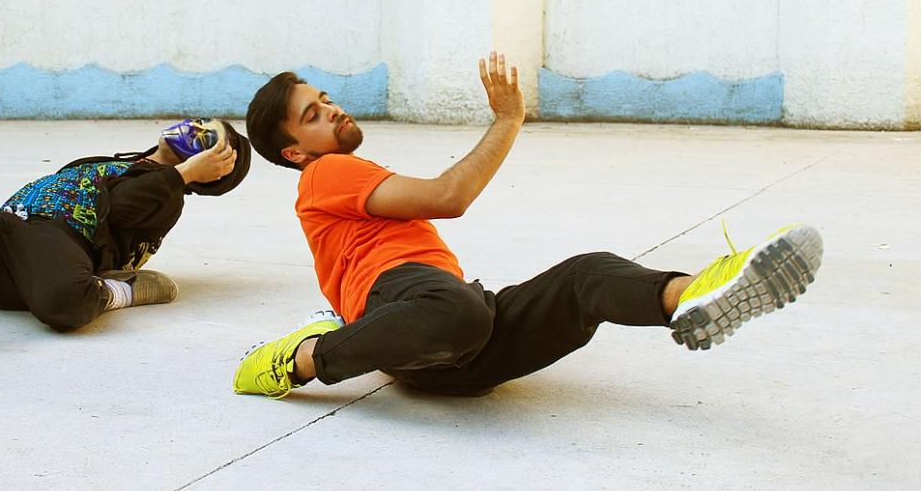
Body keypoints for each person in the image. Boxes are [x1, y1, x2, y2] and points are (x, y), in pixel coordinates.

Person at [234, 52, 823, 398]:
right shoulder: (326, 173)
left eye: (326, 98)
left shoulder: (346, 177)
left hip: (453, 347)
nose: (333, 109)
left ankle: (696, 294)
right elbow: (449, 195)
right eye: (313, 114)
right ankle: (307, 357)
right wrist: (509, 119)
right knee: (456, 309)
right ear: (294, 153)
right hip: (412, 303)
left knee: (586, 276)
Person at [0, 118, 250, 331]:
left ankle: (121, 290)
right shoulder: (128, 163)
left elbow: (123, 208)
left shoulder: (169, 195)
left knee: (64, 301)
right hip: (2, 241)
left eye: (205, 138)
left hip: (55, 244)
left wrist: (184, 175)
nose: (194, 127)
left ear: (207, 169)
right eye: (202, 121)